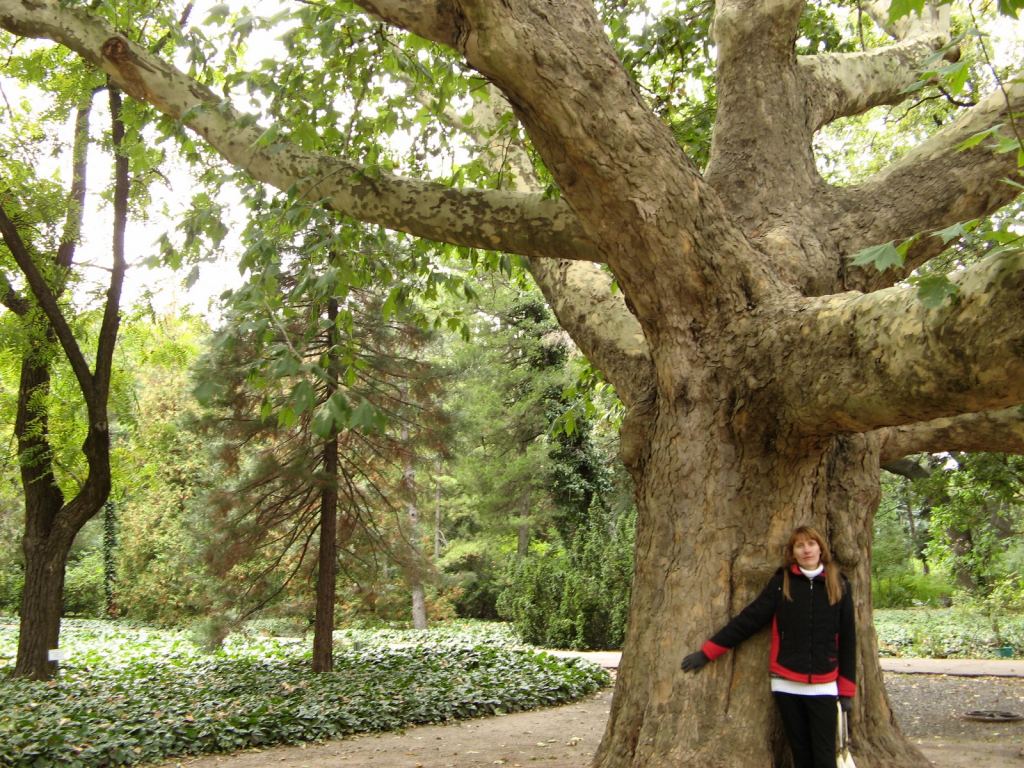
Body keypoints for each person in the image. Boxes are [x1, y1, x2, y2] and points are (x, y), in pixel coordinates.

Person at [680, 525, 856, 768]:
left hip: (824, 685)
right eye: (799, 545)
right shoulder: (782, 582)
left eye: (811, 544)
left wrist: (846, 691)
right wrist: (708, 652)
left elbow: (848, 639)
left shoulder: (839, 584)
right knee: (801, 756)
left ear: (820, 548)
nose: (806, 550)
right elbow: (749, 620)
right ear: (792, 552)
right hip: (786, 684)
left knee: (825, 758)